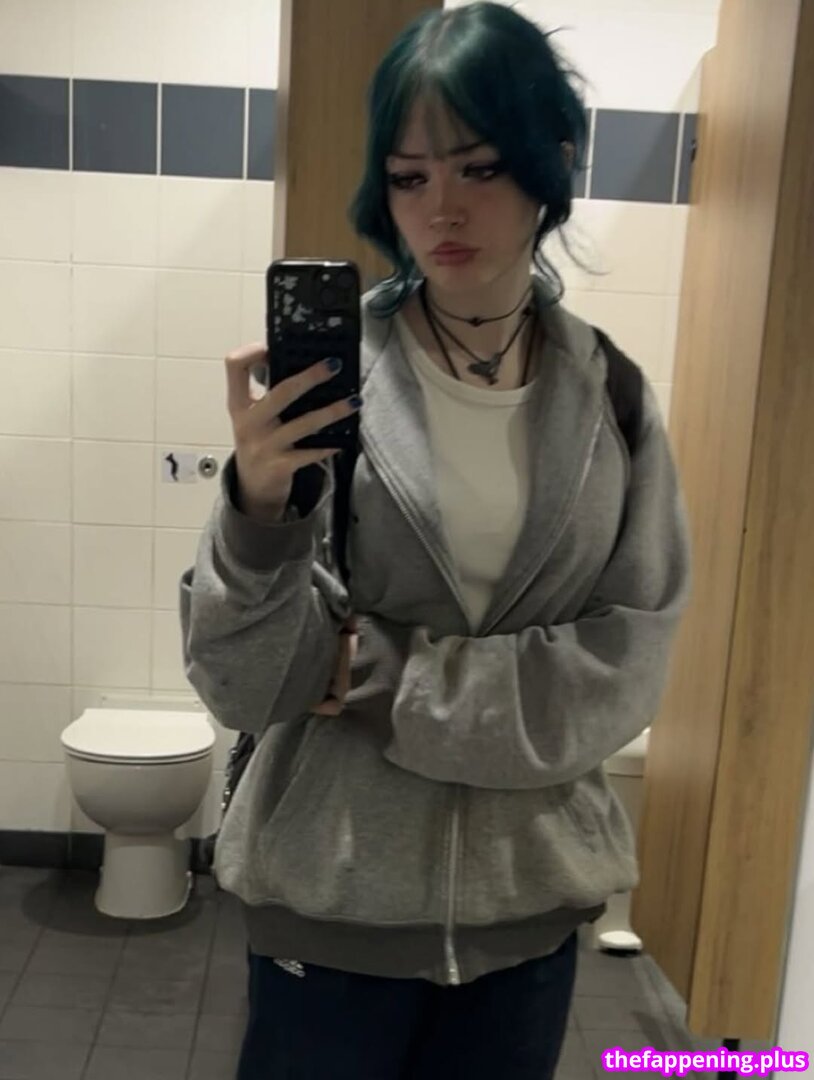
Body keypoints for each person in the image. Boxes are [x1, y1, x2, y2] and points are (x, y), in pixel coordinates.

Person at [179, 3, 692, 1077]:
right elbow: (245, 683)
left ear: (553, 162)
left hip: (526, 914)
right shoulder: (338, 383)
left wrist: (375, 676)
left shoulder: (615, 400)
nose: (441, 208)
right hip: (330, 904)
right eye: (409, 177)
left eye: (479, 168)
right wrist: (257, 519)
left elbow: (622, 666)